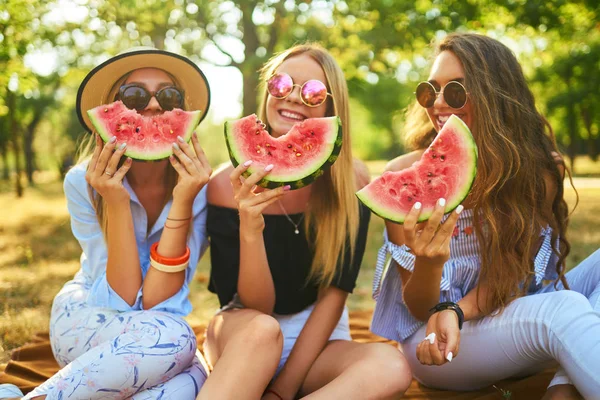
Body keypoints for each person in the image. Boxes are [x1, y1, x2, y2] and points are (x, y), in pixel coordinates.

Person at [370, 32, 600, 400]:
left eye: (456, 91)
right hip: (437, 343)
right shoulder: (403, 179)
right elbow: (419, 309)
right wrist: (430, 263)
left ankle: (564, 390)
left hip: (510, 314)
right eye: (430, 91)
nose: (439, 104)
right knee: (565, 309)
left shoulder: (538, 172)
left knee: (570, 300)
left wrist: (458, 309)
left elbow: (510, 277)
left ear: (495, 97)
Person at [198, 43, 411, 400]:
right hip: (243, 330)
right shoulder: (224, 184)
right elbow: (257, 308)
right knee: (263, 329)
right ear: (267, 91)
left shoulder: (351, 181)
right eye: (281, 84)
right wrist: (251, 227)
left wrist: (283, 390)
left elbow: (334, 295)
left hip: (317, 339)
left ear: (331, 106)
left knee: (391, 365)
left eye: (312, 92)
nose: (294, 97)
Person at [24, 47, 213, 400]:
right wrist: (116, 200)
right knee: (181, 340)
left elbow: (159, 299)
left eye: (168, 96)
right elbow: (123, 298)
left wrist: (184, 198)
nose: (154, 106)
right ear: (113, 110)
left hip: (160, 331)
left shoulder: (199, 188)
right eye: (135, 95)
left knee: (190, 384)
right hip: (88, 318)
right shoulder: (82, 182)